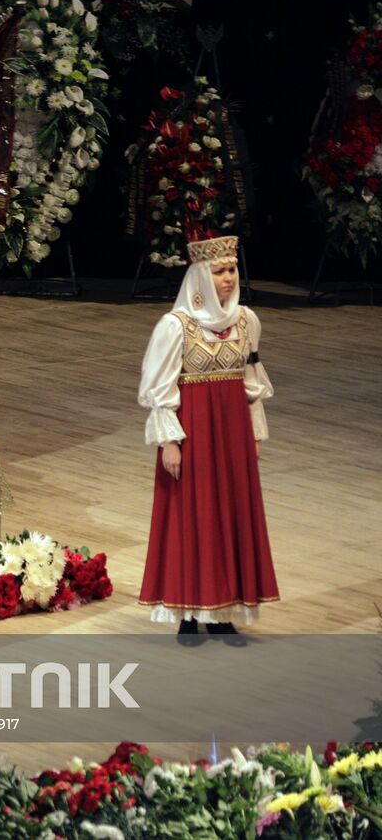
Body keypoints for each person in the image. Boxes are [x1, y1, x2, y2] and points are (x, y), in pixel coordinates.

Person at [137, 233, 278, 643]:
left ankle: (223, 613)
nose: (228, 278)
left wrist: (254, 433)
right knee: (191, 515)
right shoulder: (175, 327)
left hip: (232, 433)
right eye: (219, 272)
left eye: (232, 270)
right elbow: (161, 388)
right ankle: (187, 613)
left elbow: (251, 382)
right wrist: (170, 441)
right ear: (201, 276)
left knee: (230, 514)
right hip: (194, 433)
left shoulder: (246, 322)